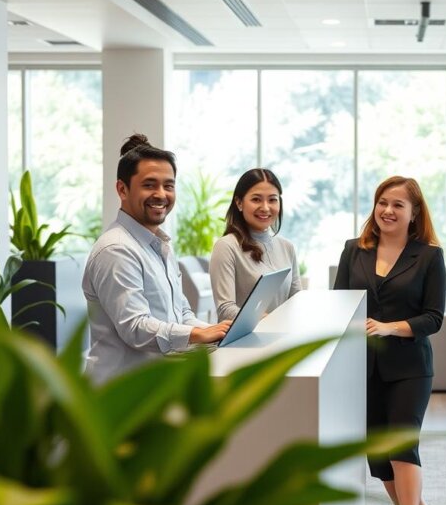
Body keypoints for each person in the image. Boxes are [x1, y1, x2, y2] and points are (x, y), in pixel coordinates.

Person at [333, 175, 445, 505]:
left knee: (401, 446)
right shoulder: (354, 249)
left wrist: (390, 328)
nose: (388, 210)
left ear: (414, 213)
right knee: (379, 457)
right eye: (383, 202)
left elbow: (434, 317)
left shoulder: (429, 256)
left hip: (409, 367)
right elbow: (340, 304)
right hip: (362, 368)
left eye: (398, 204)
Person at [82, 134, 231, 383]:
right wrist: (196, 334)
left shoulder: (159, 245)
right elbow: (135, 328)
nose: (161, 194)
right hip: (117, 393)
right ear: (122, 189)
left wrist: (216, 331)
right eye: (149, 185)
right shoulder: (116, 249)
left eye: (168, 185)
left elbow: (180, 313)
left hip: (150, 387)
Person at [209, 168, 301, 322]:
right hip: (243, 342)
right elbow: (226, 309)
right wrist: (273, 322)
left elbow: (296, 299)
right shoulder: (226, 246)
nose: (265, 207)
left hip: (284, 340)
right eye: (256, 199)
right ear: (239, 203)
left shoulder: (287, 247)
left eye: (272, 199)